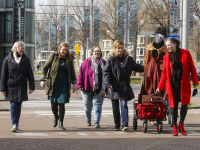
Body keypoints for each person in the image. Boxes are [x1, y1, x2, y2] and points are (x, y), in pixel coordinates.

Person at [156, 38, 199, 136]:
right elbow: (164, 74)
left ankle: (181, 125)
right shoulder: (166, 57)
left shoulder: (186, 54)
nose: (168, 47)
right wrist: (160, 87)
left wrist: (195, 82)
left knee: (184, 105)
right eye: (167, 46)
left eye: (169, 45)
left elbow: (192, 68)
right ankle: (175, 127)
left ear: (175, 44)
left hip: (184, 85)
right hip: (172, 86)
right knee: (173, 107)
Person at [103, 40, 144, 131]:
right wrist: (108, 84)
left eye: (121, 48)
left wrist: (148, 67)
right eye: (118, 48)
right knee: (115, 107)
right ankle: (117, 125)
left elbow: (137, 67)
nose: (120, 50)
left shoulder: (128, 59)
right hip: (114, 86)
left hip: (124, 85)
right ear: (115, 49)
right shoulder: (111, 59)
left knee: (124, 104)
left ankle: (124, 124)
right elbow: (106, 72)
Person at [40, 42, 77, 130]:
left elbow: (72, 72)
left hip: (64, 85)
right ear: (59, 49)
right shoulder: (53, 57)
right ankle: (56, 117)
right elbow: (45, 68)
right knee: (53, 104)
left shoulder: (69, 59)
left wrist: (74, 84)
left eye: (66, 50)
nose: (64, 52)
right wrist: (43, 80)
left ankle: (61, 123)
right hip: (53, 84)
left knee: (61, 104)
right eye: (63, 50)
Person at [0, 41, 35, 132]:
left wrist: (32, 86)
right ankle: (14, 124)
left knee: (18, 105)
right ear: (15, 48)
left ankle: (16, 123)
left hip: (22, 86)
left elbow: (30, 74)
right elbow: (4, 75)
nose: (22, 50)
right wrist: (3, 88)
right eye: (21, 48)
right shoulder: (7, 60)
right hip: (11, 87)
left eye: (23, 48)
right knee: (13, 105)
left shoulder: (26, 60)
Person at [77, 46, 106, 128]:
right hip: (87, 88)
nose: (97, 53)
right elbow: (80, 74)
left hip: (99, 89)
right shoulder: (86, 62)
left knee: (97, 105)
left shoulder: (104, 63)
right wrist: (79, 85)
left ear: (100, 53)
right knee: (87, 106)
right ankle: (88, 118)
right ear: (92, 52)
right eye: (95, 51)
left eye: (98, 51)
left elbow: (107, 75)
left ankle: (96, 121)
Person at [139, 27, 168, 103]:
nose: (159, 38)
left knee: (159, 88)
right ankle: (147, 106)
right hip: (150, 71)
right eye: (157, 36)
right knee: (148, 87)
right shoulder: (150, 47)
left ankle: (158, 107)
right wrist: (145, 72)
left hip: (160, 71)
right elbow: (146, 60)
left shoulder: (165, 49)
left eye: (161, 37)